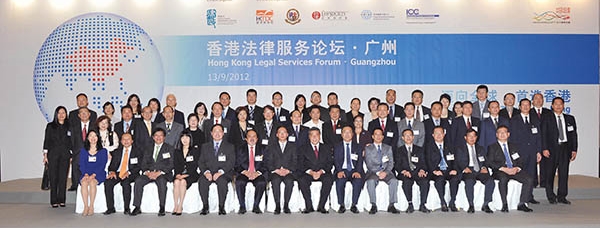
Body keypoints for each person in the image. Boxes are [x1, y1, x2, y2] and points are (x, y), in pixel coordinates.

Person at [486, 125, 534, 212]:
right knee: (503, 179)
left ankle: (522, 203)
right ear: (496, 135)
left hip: (514, 169)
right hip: (500, 171)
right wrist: (503, 169)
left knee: (529, 179)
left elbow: (520, 160)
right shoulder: (492, 147)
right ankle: (504, 204)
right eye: (500, 132)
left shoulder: (514, 146)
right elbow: (489, 162)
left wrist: (517, 168)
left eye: (504, 132)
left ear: (508, 134)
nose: (502, 134)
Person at [541, 97, 577, 205]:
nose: (558, 106)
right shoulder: (546, 118)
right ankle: (551, 196)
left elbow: (574, 135)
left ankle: (562, 196)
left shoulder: (570, 118)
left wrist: (574, 149)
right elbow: (543, 134)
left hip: (565, 149)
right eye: (556, 104)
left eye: (560, 104)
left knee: (564, 173)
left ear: (563, 105)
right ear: (552, 106)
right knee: (550, 174)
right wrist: (544, 148)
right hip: (551, 149)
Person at [131, 128, 174, 217]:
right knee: (138, 181)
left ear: (164, 137)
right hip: (149, 173)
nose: (158, 137)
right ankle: (137, 207)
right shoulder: (148, 148)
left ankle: (162, 207)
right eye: (156, 135)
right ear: (153, 137)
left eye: (161, 135)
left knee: (162, 182)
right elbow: (143, 163)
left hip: (162, 173)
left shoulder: (169, 148)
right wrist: (147, 172)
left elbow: (171, 164)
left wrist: (160, 172)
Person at [198, 124, 236, 215]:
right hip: (209, 172)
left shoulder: (230, 146)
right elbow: (201, 162)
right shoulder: (205, 146)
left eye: (220, 131)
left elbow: (231, 162)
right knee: (202, 182)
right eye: (215, 131)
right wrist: (206, 172)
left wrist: (220, 172)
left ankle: (221, 206)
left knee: (222, 182)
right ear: (211, 133)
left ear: (223, 133)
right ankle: (205, 206)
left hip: (224, 173)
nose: (217, 133)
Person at [509, 98, 541, 204]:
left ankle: (529, 196)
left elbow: (538, 137)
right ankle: (520, 197)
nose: (526, 107)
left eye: (528, 105)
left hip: (532, 153)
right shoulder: (514, 120)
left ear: (530, 106)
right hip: (519, 153)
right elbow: (512, 138)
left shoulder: (535, 120)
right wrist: (514, 154)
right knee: (520, 175)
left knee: (531, 174)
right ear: (519, 107)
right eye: (523, 105)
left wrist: (538, 151)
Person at [455, 129, 494, 213]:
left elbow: (486, 161)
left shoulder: (480, 148)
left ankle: (486, 204)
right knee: (469, 181)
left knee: (490, 181)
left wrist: (484, 167)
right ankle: (471, 204)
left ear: (476, 138)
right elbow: (458, 161)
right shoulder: (460, 148)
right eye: (470, 136)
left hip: (479, 170)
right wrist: (464, 168)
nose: (472, 138)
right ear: (465, 137)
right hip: (468, 170)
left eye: (474, 136)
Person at [103, 133, 142, 215]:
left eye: (128, 139)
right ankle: (110, 208)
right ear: (121, 141)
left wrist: (129, 172)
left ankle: (127, 208)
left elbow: (139, 166)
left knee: (125, 182)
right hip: (118, 172)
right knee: (108, 182)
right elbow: (111, 166)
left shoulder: (138, 151)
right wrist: (112, 172)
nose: (126, 141)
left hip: (131, 173)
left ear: (132, 141)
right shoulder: (117, 152)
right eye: (124, 139)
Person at [297, 127, 334, 214]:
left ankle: (321, 206)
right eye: (312, 135)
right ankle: (308, 206)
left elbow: (330, 163)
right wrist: (311, 172)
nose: (314, 137)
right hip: (309, 172)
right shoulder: (303, 148)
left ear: (320, 136)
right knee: (302, 180)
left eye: (316, 135)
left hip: (322, 172)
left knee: (328, 180)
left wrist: (321, 171)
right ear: (309, 137)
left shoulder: (326, 147)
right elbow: (300, 164)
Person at [364, 128, 400, 214]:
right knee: (371, 181)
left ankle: (391, 205)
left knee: (394, 181)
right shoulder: (368, 148)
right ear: (373, 136)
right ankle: (373, 205)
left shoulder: (388, 148)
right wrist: (377, 172)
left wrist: (386, 172)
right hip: (373, 172)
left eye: (380, 134)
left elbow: (391, 162)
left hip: (386, 172)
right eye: (376, 134)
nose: (378, 136)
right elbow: (368, 164)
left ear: (383, 136)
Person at [395, 129, 430, 213]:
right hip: (405, 172)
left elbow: (424, 162)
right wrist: (403, 171)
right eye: (406, 135)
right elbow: (397, 164)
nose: (408, 137)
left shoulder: (420, 149)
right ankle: (410, 204)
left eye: (410, 135)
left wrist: (422, 170)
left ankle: (422, 204)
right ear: (402, 138)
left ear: (413, 137)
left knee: (425, 181)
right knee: (407, 182)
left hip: (417, 172)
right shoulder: (398, 150)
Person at [425, 126, 460, 212]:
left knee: (455, 179)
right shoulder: (428, 146)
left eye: (440, 133)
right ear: (433, 135)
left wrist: (455, 169)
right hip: (435, 171)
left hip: (448, 170)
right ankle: (443, 202)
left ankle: (452, 202)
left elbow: (455, 159)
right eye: (436, 133)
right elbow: (427, 160)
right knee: (440, 180)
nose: (439, 135)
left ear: (444, 134)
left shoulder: (450, 146)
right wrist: (434, 171)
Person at [43, 106, 72, 208]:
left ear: (66, 114)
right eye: (59, 113)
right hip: (53, 155)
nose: (61, 115)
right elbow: (47, 140)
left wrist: (71, 155)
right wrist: (45, 155)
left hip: (65, 155)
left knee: (63, 178)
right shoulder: (50, 126)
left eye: (63, 112)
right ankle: (54, 200)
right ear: (56, 114)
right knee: (53, 178)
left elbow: (71, 142)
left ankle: (62, 199)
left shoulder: (69, 126)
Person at [235, 129, 267, 214]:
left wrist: (257, 173)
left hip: (257, 173)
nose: (252, 138)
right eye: (249, 136)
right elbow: (236, 164)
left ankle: (256, 206)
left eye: (254, 136)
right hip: (245, 172)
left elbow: (267, 164)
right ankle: (242, 206)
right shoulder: (240, 149)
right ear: (246, 139)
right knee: (239, 181)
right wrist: (245, 172)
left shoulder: (263, 149)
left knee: (261, 182)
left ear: (257, 139)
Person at [333, 126, 364, 214]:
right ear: (342, 134)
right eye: (345, 132)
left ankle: (354, 205)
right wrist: (339, 171)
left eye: (349, 132)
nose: (347, 134)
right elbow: (336, 160)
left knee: (358, 180)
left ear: (352, 134)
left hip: (354, 170)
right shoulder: (337, 146)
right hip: (342, 170)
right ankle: (341, 205)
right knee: (340, 181)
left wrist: (358, 171)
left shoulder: (358, 146)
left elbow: (360, 160)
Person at [267, 126, 298, 214]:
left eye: (284, 132)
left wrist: (288, 170)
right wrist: (276, 170)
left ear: (287, 134)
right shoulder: (272, 146)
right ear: (277, 135)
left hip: (288, 172)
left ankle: (286, 205)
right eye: (280, 132)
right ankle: (277, 205)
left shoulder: (293, 146)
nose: (282, 134)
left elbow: (295, 161)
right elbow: (269, 161)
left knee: (289, 182)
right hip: (276, 171)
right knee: (275, 181)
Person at [78, 130, 109, 216]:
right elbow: (81, 164)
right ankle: (85, 206)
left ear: (98, 138)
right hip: (86, 173)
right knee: (83, 183)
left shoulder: (103, 151)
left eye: (95, 136)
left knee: (92, 183)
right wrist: (86, 174)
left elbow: (102, 165)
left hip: (98, 173)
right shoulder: (83, 151)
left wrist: (94, 175)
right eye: (91, 136)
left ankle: (91, 206)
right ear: (87, 138)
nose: (93, 138)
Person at [69, 107, 97, 191]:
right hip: (77, 152)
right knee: (76, 167)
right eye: (82, 113)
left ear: (89, 114)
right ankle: (75, 185)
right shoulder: (73, 127)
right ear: (78, 115)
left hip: (91, 151)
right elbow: (71, 140)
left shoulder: (95, 126)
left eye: (86, 112)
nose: (84, 114)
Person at [172, 130, 200, 216]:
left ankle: (180, 205)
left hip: (191, 174)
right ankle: (175, 205)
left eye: (187, 137)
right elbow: (175, 164)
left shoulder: (195, 150)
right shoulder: (177, 151)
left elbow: (195, 165)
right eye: (183, 137)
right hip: (179, 174)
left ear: (190, 138)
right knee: (176, 182)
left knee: (183, 181)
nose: (185, 139)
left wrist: (185, 175)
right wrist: (177, 174)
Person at [531, 93, 552, 188]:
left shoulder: (549, 112)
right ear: (532, 101)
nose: (538, 100)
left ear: (543, 100)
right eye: (536, 98)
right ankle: (534, 182)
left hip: (546, 142)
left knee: (545, 164)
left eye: (540, 98)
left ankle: (544, 183)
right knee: (532, 164)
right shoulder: (528, 112)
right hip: (533, 142)